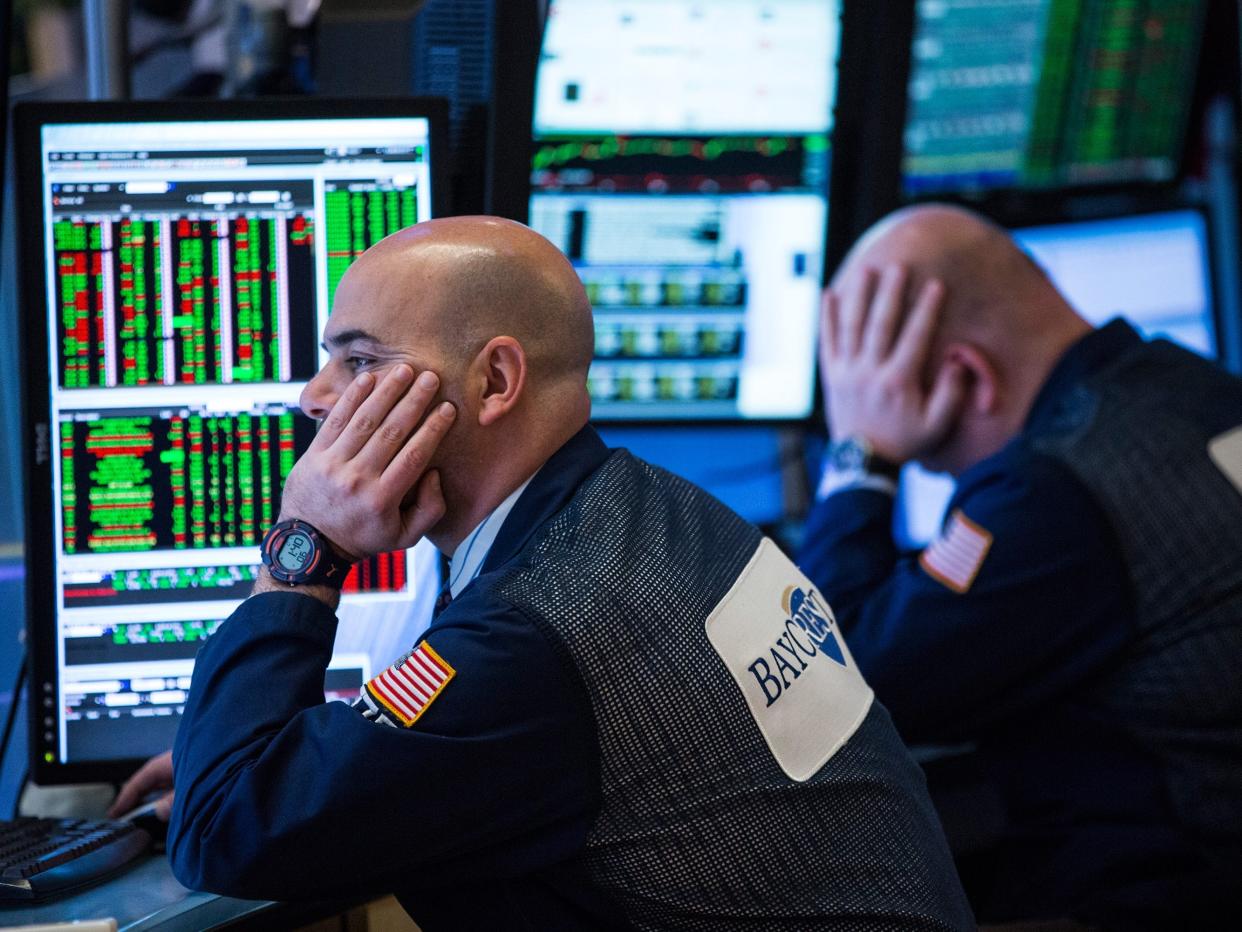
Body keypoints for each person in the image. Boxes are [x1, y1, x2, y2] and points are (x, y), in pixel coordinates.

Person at [155, 216, 972, 929]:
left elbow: (225, 829)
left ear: (495, 381)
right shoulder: (664, 511)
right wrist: (284, 746)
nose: (315, 396)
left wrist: (307, 545)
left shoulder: (537, 632)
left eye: (360, 361)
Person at [798, 204, 1242, 928]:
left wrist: (862, 456)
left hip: (1172, 894)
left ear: (964, 376)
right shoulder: (1192, 385)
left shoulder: (1055, 490)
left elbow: (834, 687)